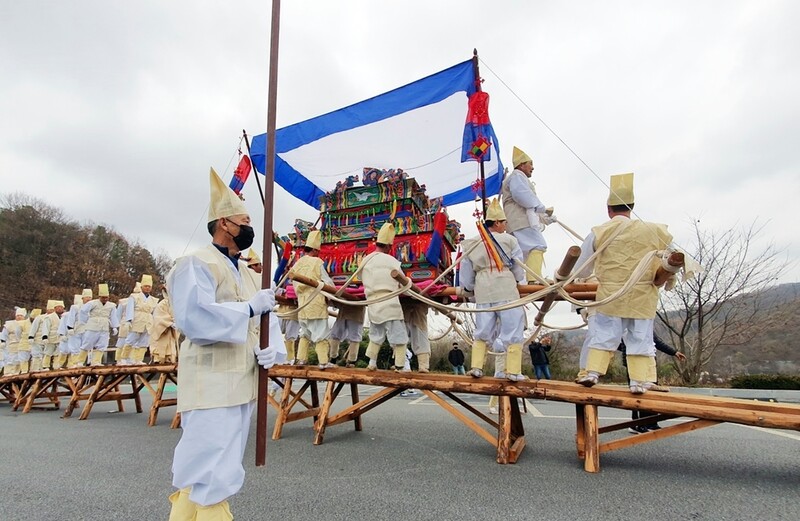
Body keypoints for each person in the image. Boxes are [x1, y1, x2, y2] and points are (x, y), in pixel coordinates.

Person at [165, 168, 285, 521]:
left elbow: (267, 320)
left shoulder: (248, 272)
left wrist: (273, 348)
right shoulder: (195, 264)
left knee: (214, 466)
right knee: (208, 467)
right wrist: (248, 308)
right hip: (211, 382)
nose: (249, 227)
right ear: (224, 224)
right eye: (244, 220)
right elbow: (194, 318)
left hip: (243, 381)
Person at [574, 173, 674, 394]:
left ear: (608, 209)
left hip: (611, 294)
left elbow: (582, 267)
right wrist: (670, 277)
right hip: (643, 295)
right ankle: (640, 381)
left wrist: (573, 282)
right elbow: (673, 255)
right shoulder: (655, 231)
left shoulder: (600, 231)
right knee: (641, 337)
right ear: (632, 206)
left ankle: (593, 372)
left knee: (604, 334)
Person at [458, 198, 527, 381]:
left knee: (482, 329)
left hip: (483, 289)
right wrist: (520, 281)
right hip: (505, 286)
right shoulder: (510, 240)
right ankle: (513, 371)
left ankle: (477, 368)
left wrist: (470, 288)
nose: (505, 225)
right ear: (496, 222)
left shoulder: (472, 243)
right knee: (513, 329)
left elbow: (465, 272)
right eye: (504, 222)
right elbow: (518, 268)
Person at [358, 222, 409, 371]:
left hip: (373, 303)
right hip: (390, 302)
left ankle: (371, 364)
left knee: (375, 334)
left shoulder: (365, 260)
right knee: (398, 335)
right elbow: (403, 284)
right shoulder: (392, 261)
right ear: (389, 246)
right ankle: (400, 365)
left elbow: (360, 278)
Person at [500, 146, 556, 281]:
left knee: (521, 254)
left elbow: (528, 203)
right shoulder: (517, 176)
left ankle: (518, 280)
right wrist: (542, 208)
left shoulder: (517, 177)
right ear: (522, 165)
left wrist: (544, 218)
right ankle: (534, 278)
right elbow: (522, 196)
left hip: (516, 221)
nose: (532, 167)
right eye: (530, 164)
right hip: (521, 221)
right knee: (538, 245)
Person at [620, 334, 687, 433]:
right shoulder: (628, 324)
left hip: (649, 361)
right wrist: (628, 350)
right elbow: (618, 342)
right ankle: (637, 424)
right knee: (638, 394)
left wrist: (674, 352)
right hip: (633, 362)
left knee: (650, 392)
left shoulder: (646, 324)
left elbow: (656, 342)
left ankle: (651, 422)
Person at [288, 230, 335, 369]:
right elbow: (327, 283)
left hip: (302, 305)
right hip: (316, 303)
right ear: (315, 249)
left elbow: (294, 286)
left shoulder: (297, 264)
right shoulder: (317, 262)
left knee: (305, 333)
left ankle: (301, 359)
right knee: (321, 333)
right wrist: (335, 295)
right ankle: (323, 362)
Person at [122, 274, 159, 365]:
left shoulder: (153, 299)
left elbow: (154, 312)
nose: (147, 288)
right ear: (142, 286)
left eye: (149, 287)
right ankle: (124, 358)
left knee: (144, 341)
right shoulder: (134, 297)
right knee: (131, 340)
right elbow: (130, 309)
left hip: (148, 320)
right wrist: (129, 320)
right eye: (146, 286)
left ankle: (138, 359)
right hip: (137, 319)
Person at [80, 283, 119, 366]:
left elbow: (113, 316)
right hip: (92, 326)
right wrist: (84, 321)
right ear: (99, 297)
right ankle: (80, 361)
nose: (105, 299)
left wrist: (114, 326)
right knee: (87, 343)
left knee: (102, 344)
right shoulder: (92, 303)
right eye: (103, 297)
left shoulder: (111, 306)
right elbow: (83, 311)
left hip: (104, 327)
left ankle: (96, 361)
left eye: (106, 297)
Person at [329, 301, 364, 367]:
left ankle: (351, 361)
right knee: (335, 335)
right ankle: (333, 359)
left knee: (355, 337)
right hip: (343, 312)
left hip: (356, 313)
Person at [149, 286, 179, 363]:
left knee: (171, 348)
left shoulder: (176, 303)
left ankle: (170, 359)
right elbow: (158, 317)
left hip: (171, 332)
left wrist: (177, 321)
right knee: (161, 348)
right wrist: (170, 323)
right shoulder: (162, 304)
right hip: (163, 331)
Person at [401, 298, 431, 372]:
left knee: (420, 329)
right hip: (402, 301)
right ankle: (401, 363)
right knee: (399, 332)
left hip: (420, 300)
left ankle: (423, 365)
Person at [41, 300, 65, 370]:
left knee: (58, 352)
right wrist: (45, 336)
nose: (60, 308)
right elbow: (46, 327)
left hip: (60, 337)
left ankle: (56, 365)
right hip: (51, 337)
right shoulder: (49, 317)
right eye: (58, 307)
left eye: (61, 307)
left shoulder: (65, 316)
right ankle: (45, 365)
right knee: (48, 352)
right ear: (55, 308)